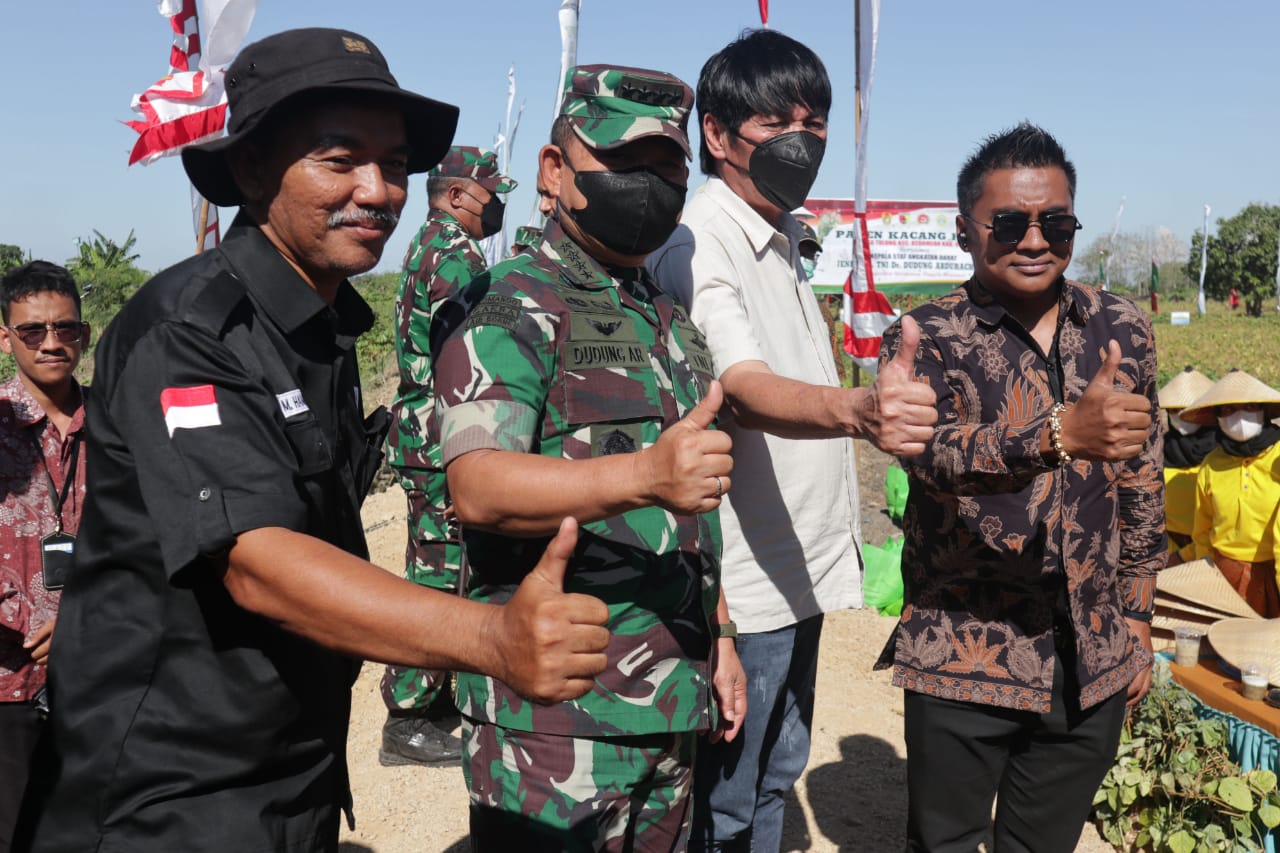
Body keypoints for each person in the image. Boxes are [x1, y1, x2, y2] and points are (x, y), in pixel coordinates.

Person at [21, 29, 609, 853]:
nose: (380, 191)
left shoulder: (322, 326)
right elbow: (258, 559)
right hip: (171, 792)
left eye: (396, 164)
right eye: (340, 160)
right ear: (254, 167)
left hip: (289, 763)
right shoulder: (189, 329)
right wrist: (490, 638)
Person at [433, 64, 739, 852]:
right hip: (556, 718)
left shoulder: (671, 321)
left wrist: (725, 639)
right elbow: (478, 483)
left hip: (671, 696)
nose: (650, 184)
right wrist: (641, 475)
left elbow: (697, 509)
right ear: (554, 170)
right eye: (624, 162)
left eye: (668, 166)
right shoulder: (511, 303)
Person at [647, 30, 937, 853]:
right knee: (729, 792)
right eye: (777, 122)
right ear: (716, 135)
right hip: (748, 575)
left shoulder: (780, 236)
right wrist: (858, 411)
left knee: (776, 767)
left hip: (795, 561)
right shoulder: (700, 240)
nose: (801, 140)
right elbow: (741, 382)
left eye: (814, 120)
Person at [877, 122, 1163, 852]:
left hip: (1089, 653)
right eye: (1010, 222)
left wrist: (1136, 613)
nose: (1035, 240)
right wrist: (1059, 434)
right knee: (943, 843)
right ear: (966, 230)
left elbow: (1142, 474)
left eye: (1057, 222)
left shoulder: (1120, 326)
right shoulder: (926, 335)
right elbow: (932, 457)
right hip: (965, 650)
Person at [381, 145, 516, 768]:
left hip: (422, 434)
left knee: (442, 567)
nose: (499, 206)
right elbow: (472, 350)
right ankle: (408, 715)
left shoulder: (429, 245)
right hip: (438, 439)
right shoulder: (454, 256)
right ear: (459, 195)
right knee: (439, 576)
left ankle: (429, 700)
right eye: (492, 195)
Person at [0, 262, 88, 851]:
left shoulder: (118, 422)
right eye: (33, 331)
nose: (52, 343)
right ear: (5, 336)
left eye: (66, 329)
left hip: (99, 673)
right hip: (7, 678)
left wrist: (85, 617)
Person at [1179, 368, 1280, 617]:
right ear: (1217, 418)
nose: (1239, 417)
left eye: (1249, 406)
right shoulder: (1212, 463)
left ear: (1263, 411)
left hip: (1274, 571)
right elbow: (1202, 529)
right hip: (1226, 571)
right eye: (1228, 410)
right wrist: (1205, 574)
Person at [1158, 366, 1218, 562]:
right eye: (1174, 410)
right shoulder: (1159, 450)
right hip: (1167, 548)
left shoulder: (1222, 454)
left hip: (1213, 548)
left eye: (1187, 409)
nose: (1180, 416)